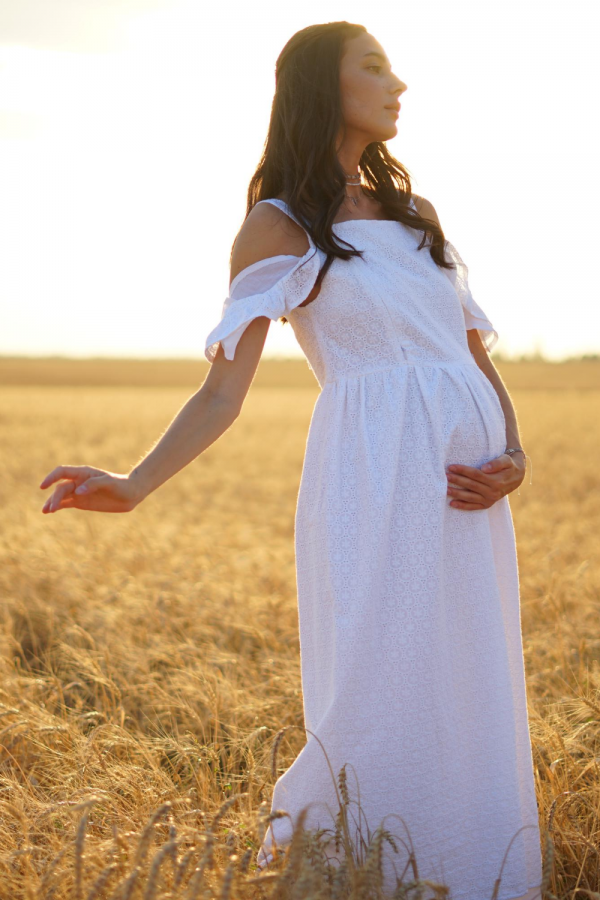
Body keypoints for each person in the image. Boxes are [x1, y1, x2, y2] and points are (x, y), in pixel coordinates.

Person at [39, 21, 542, 900]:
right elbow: (222, 393)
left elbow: (475, 359)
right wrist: (135, 482)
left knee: (471, 677)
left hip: (469, 497)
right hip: (372, 483)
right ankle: (362, 872)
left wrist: (514, 454)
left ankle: (479, 875)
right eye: (375, 67)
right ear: (323, 87)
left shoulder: (418, 217)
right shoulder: (277, 227)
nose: (399, 84)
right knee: (380, 679)